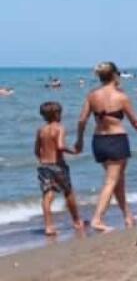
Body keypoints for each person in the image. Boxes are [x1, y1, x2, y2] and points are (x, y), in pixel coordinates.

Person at [75, 61, 137, 232]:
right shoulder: (121, 97)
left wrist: (79, 140)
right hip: (116, 139)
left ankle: (127, 216)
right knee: (112, 181)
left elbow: (82, 120)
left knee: (118, 181)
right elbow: (135, 122)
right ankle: (97, 219)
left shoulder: (92, 95)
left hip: (98, 141)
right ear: (115, 75)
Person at [34, 101, 84, 237]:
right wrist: (74, 151)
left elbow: (36, 150)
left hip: (44, 166)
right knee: (68, 192)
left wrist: (42, 160)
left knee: (47, 195)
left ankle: (49, 226)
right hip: (58, 165)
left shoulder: (41, 130)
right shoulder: (60, 128)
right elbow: (60, 146)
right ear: (57, 114)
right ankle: (77, 220)